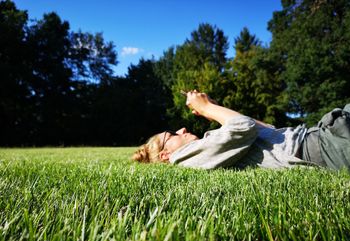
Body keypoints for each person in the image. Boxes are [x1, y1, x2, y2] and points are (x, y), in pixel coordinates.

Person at [132, 90, 350, 170]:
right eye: (171, 135)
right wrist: (206, 107)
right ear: (165, 155)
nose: (181, 129)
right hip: (322, 146)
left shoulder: (201, 148)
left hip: (321, 134)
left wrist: (212, 111)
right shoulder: (182, 158)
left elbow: (265, 128)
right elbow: (244, 127)